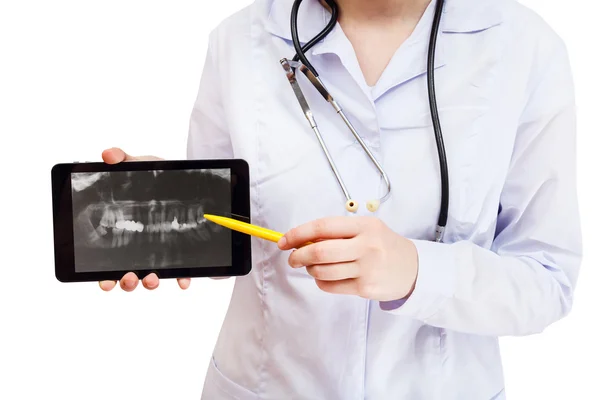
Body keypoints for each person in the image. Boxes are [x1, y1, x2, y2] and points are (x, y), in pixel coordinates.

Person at [98, 0, 582, 398]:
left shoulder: (525, 48)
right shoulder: (239, 41)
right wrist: (166, 215)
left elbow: (548, 280)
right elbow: (221, 231)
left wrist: (417, 271)